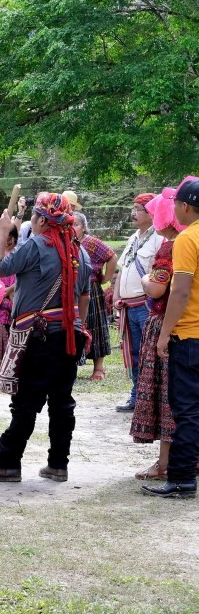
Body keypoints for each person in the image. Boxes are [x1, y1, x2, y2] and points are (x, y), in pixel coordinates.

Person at [0, 192, 89, 483]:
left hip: (40, 337)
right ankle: (58, 464)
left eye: (36, 216)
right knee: (62, 402)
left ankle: (8, 464)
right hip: (70, 336)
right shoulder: (80, 251)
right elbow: (84, 296)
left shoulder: (37, 245)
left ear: (42, 220)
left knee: (26, 401)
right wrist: (76, 326)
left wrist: (3, 232)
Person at [143, 178, 199, 498]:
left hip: (189, 335)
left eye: (176, 203)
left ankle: (181, 479)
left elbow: (179, 292)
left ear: (186, 207)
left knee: (187, 411)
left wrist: (164, 335)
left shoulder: (187, 239)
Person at [130, 189, 187, 481]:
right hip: (189, 324)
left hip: (165, 323)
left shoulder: (170, 248)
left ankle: (164, 462)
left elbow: (156, 288)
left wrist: (143, 278)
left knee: (167, 396)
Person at [113, 193, 165, 411]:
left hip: (146, 306)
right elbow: (123, 268)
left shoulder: (159, 238)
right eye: (132, 208)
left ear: (152, 212)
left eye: (138, 209)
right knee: (134, 353)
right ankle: (137, 395)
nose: (133, 213)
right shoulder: (133, 238)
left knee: (149, 353)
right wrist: (116, 295)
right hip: (129, 306)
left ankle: (152, 399)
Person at [73, 212, 116, 380]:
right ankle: (73, 366)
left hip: (91, 288)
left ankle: (99, 368)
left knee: (96, 326)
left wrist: (105, 278)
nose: (72, 228)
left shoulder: (91, 242)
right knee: (75, 327)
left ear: (84, 227)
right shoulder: (67, 243)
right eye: (70, 224)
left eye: (76, 224)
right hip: (73, 290)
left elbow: (111, 256)